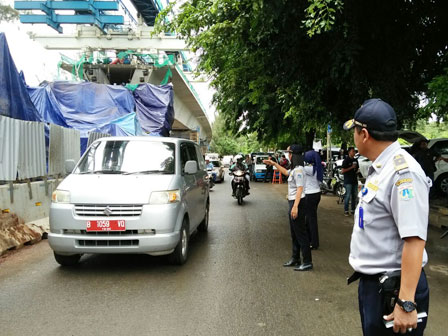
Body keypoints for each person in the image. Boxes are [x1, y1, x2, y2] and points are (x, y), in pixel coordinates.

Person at [343, 98, 431, 335]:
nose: (353, 137)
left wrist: (406, 302)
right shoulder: (382, 167)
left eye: (354, 131)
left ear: (364, 134)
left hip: (395, 291)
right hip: (376, 286)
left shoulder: (403, 173)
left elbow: (414, 239)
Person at [263, 145, 313, 271]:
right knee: (294, 233)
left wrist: (295, 207)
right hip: (293, 202)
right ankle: (295, 258)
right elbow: (285, 172)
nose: (288, 155)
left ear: (293, 155)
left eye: (289, 153)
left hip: (298, 202)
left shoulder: (299, 170)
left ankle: (307, 261)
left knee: (301, 233)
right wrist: (274, 163)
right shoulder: (295, 169)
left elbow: (300, 189)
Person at [304, 150, 323, 250]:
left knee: (310, 219)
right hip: (317, 194)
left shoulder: (308, 169)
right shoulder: (317, 168)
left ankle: (313, 242)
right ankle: (311, 240)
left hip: (310, 195)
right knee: (311, 218)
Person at [341, 147, 359, 216]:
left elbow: (357, 169)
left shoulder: (356, 160)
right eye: (353, 151)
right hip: (348, 181)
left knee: (354, 196)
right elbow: (343, 171)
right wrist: (351, 167)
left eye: (354, 151)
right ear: (349, 152)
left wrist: (357, 171)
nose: (354, 153)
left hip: (354, 180)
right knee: (348, 195)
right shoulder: (346, 160)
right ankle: (346, 210)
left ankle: (353, 210)